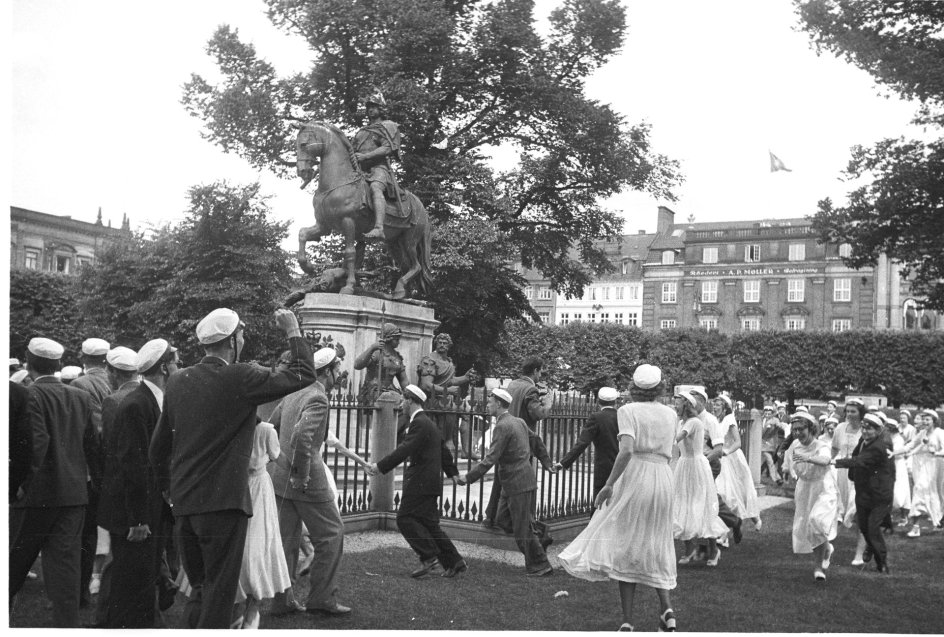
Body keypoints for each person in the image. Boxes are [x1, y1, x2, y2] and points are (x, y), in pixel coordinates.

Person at [149, 308, 315, 629]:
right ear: (232, 340)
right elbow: (302, 373)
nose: (243, 340)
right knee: (218, 594)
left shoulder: (178, 381)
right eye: (241, 335)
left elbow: (158, 451)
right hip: (224, 507)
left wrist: (171, 494)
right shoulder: (240, 376)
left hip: (185, 506)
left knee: (199, 589)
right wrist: (293, 330)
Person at [558, 364, 678, 632]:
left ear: (634, 387)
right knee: (657, 541)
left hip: (637, 474)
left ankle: (627, 620)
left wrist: (609, 485)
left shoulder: (628, 411)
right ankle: (667, 609)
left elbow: (625, 451)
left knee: (626, 544)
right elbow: (673, 450)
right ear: (660, 387)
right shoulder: (670, 414)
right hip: (662, 476)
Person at [9, 338, 99, 627]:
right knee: (65, 573)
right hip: (74, 494)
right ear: (58, 364)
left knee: (12, 565)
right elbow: (93, 445)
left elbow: (35, 443)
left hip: (35, 494)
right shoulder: (79, 397)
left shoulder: (28, 395)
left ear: (29, 362)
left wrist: (18, 486)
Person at [98, 339, 178, 627]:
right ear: (165, 368)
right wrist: (139, 519)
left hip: (145, 509)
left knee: (140, 584)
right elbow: (134, 466)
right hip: (135, 515)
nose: (178, 366)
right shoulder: (137, 404)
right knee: (134, 587)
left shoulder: (151, 399)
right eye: (175, 362)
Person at [269, 347, 351, 617]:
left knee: (287, 539)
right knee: (332, 534)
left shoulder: (293, 392)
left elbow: (272, 424)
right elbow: (301, 437)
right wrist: (301, 474)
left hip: (280, 477)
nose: (340, 374)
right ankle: (322, 598)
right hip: (306, 480)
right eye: (338, 369)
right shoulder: (318, 396)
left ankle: (283, 600)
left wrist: (278, 461)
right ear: (327, 372)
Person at [368, 384, 466, 578]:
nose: (402, 404)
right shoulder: (427, 422)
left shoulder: (419, 423)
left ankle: (429, 558)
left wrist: (379, 467)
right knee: (430, 525)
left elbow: (405, 449)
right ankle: (454, 561)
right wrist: (453, 473)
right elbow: (444, 451)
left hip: (420, 483)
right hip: (430, 483)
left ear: (411, 401)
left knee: (404, 519)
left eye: (404, 400)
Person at [458, 388, 554, 577]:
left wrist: (468, 478)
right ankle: (541, 534)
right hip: (513, 483)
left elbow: (491, 458)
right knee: (502, 519)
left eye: (490, 402)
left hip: (518, 482)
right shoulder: (518, 421)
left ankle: (541, 566)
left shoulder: (503, 426)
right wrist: (547, 463)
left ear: (499, 404)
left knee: (521, 530)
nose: (487, 405)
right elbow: (537, 441)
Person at [482, 357, 556, 529]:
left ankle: (490, 517)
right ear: (536, 370)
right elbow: (537, 414)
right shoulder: (531, 389)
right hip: (522, 441)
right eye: (540, 371)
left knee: (501, 480)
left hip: (506, 437)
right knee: (521, 486)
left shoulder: (512, 385)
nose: (540, 375)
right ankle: (522, 521)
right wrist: (548, 403)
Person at [236, 420, 292, 629]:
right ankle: (250, 605)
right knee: (258, 541)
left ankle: (244, 602)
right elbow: (280, 458)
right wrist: (297, 470)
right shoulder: (267, 430)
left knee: (248, 541)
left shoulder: (235, 425)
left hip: (240, 485)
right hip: (257, 487)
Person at [70, 337, 113, 606]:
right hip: (113, 463)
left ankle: (82, 589)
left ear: (83, 358)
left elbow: (86, 432)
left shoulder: (78, 385)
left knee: (83, 531)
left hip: (89, 467)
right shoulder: (114, 381)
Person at [834, 412, 895, 574]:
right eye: (864, 428)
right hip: (863, 492)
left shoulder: (879, 446)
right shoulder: (863, 441)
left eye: (870, 429)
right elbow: (856, 456)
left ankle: (882, 562)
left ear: (878, 430)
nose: (866, 432)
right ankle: (874, 549)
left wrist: (835, 462)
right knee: (865, 528)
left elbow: (859, 461)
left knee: (872, 527)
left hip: (879, 495)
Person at [673, 391, 728, 568]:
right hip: (684, 465)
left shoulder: (694, 422)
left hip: (697, 466)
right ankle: (689, 550)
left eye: (678, 402)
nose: (675, 406)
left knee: (702, 507)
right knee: (683, 505)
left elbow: (676, 439)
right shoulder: (681, 422)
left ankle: (713, 551)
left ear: (687, 405)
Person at [788, 411, 839, 581]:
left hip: (823, 487)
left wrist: (807, 458)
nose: (797, 433)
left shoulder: (821, 445)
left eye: (801, 429)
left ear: (810, 428)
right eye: (794, 429)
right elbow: (792, 463)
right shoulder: (795, 444)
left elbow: (825, 460)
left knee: (817, 521)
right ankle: (824, 555)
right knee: (809, 527)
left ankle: (821, 562)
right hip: (804, 488)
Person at [690, 387, 742, 545]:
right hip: (694, 464)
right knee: (701, 498)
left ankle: (728, 524)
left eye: (693, 400)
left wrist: (704, 461)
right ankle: (704, 534)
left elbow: (718, 450)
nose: (689, 403)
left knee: (708, 497)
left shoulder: (710, 421)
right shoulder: (689, 419)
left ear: (701, 401)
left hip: (709, 463)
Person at [417, 332, 478, 459]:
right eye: (440, 343)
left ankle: (467, 450)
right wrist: (448, 391)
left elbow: (450, 381)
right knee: (450, 403)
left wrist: (465, 378)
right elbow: (426, 385)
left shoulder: (448, 362)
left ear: (449, 346)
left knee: (467, 411)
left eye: (445, 343)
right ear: (436, 343)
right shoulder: (430, 360)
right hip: (431, 399)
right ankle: (449, 440)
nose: (442, 345)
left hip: (444, 398)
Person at [553, 387, 621, 500]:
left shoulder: (597, 418)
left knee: (599, 504)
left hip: (604, 467)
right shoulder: (622, 416)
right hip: (623, 466)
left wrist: (563, 462)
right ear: (615, 401)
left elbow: (582, 443)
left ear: (598, 401)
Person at [353, 91, 403, 240]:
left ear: (381, 109)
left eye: (374, 107)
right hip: (361, 171)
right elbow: (352, 151)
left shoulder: (387, 126)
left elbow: (387, 148)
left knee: (375, 188)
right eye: (368, 107)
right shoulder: (361, 132)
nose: (370, 110)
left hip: (379, 168)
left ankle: (379, 227)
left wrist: (366, 156)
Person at [713, 394, 761, 531]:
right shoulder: (716, 420)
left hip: (732, 457)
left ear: (725, 408)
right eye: (714, 405)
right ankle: (723, 531)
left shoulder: (729, 419)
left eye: (718, 405)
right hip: (719, 458)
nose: (715, 407)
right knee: (722, 492)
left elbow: (738, 442)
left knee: (742, 489)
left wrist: (726, 452)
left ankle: (754, 517)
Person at [892, 409, 943, 537]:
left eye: (928, 419)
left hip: (936, 465)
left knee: (935, 492)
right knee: (919, 490)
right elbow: (910, 446)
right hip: (920, 466)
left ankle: (938, 519)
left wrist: (934, 452)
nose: (925, 422)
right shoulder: (922, 433)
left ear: (934, 421)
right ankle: (916, 527)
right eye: (924, 419)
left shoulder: (939, 433)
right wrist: (894, 452)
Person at [832, 398, 868, 565]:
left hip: (859, 475)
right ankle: (826, 546)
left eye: (853, 411)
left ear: (861, 413)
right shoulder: (839, 428)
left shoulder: (866, 430)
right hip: (841, 473)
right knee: (837, 510)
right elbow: (834, 449)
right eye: (847, 411)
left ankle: (859, 555)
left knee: (858, 512)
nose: (849, 414)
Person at [354, 322, 408, 406]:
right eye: (396, 339)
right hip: (374, 391)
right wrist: (372, 348)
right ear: (388, 339)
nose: (399, 342)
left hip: (390, 391)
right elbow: (357, 365)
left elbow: (404, 380)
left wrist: (408, 394)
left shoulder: (397, 357)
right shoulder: (377, 353)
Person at [761, 406, 784, 484]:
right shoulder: (760, 419)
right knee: (766, 462)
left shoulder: (774, 420)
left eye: (769, 413)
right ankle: (777, 478)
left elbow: (780, 426)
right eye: (766, 413)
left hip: (768, 445)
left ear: (772, 414)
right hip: (759, 444)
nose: (767, 414)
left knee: (769, 461)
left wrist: (778, 425)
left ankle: (777, 478)